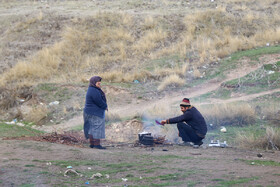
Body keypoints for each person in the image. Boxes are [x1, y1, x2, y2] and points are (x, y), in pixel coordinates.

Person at [83, 76, 108, 149]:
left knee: (91, 128)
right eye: (98, 82)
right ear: (94, 82)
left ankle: (92, 144)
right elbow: (99, 101)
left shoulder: (92, 89)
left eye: (100, 81)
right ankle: (97, 144)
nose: (99, 83)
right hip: (95, 113)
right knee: (97, 127)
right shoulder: (94, 90)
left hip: (89, 112)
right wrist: (105, 106)